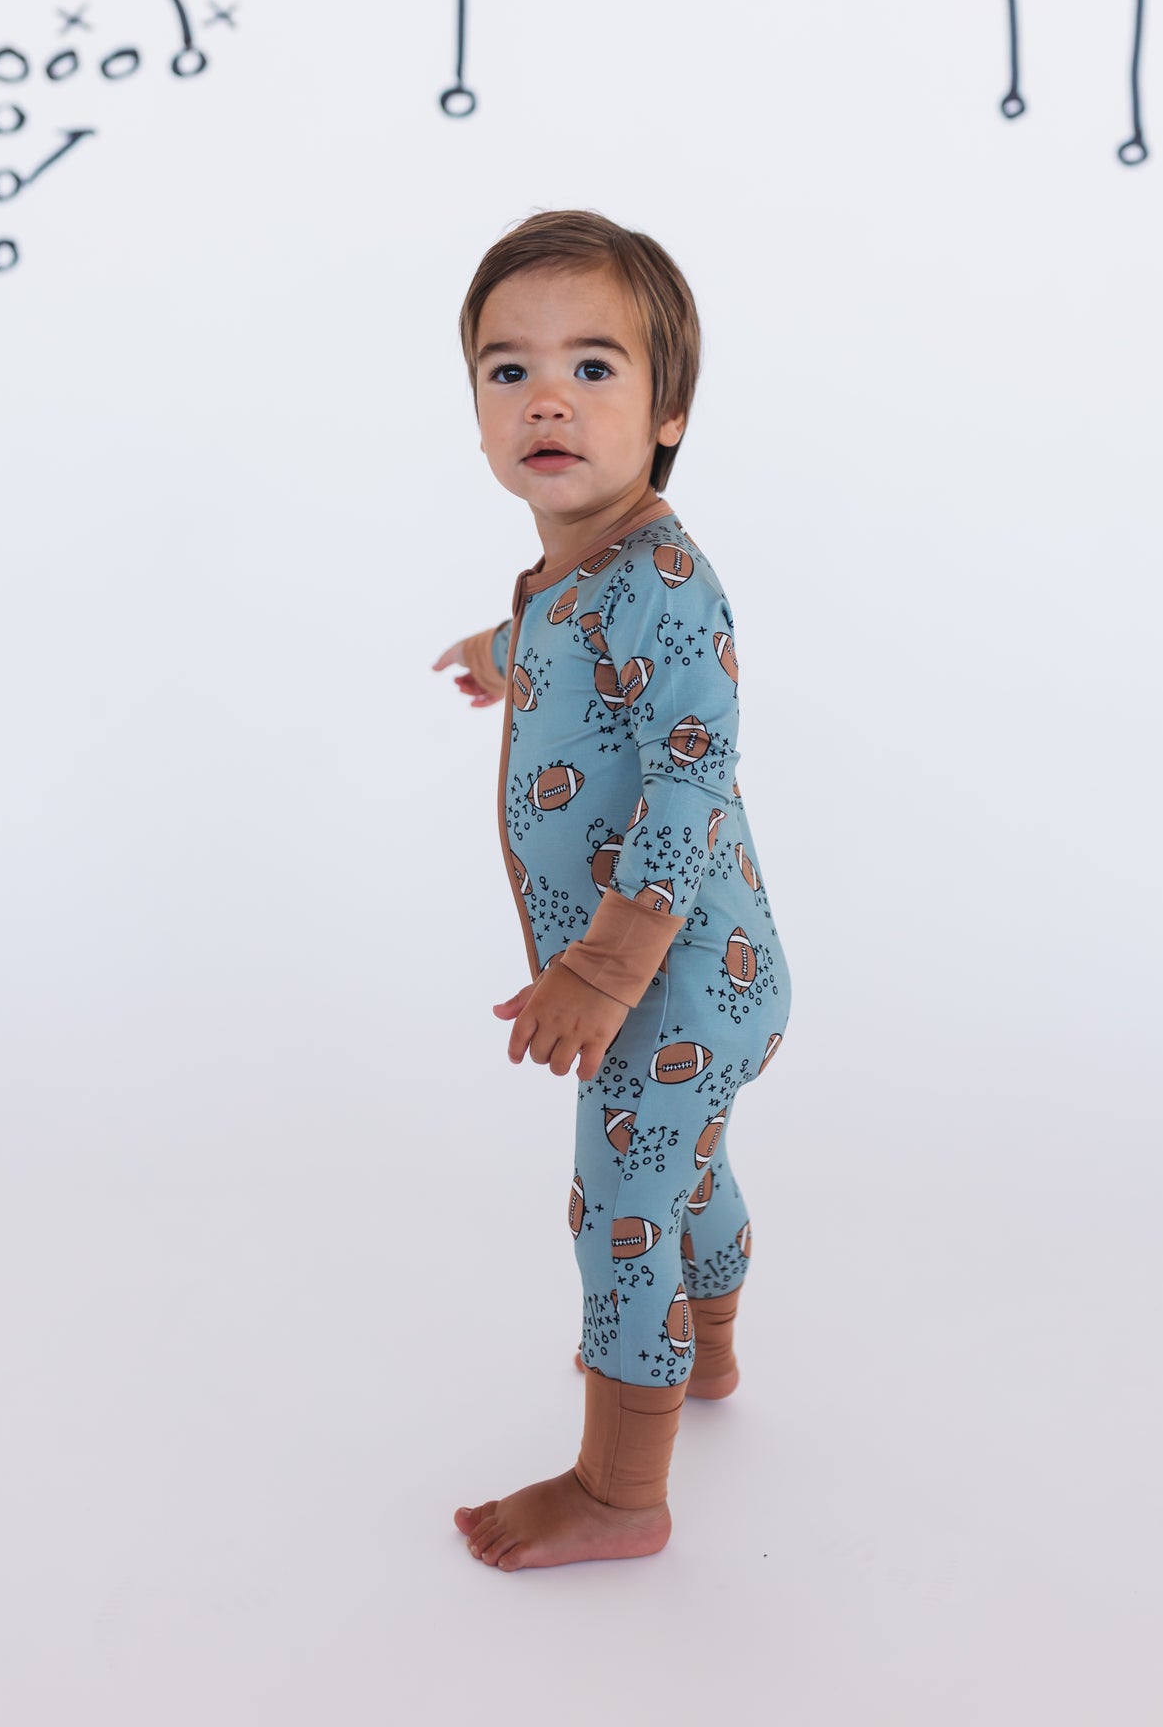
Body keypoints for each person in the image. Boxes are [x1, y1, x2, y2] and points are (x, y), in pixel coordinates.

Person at [433, 209, 791, 1569]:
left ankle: (620, 1493)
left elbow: (690, 786)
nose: (547, 399)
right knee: (688, 1172)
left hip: (675, 978)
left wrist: (601, 968)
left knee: (621, 1210)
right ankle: (709, 1357)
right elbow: (558, 628)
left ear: (667, 413)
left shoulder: (671, 587)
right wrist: (496, 652)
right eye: (508, 368)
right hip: (703, 984)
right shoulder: (579, 571)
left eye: (593, 367)